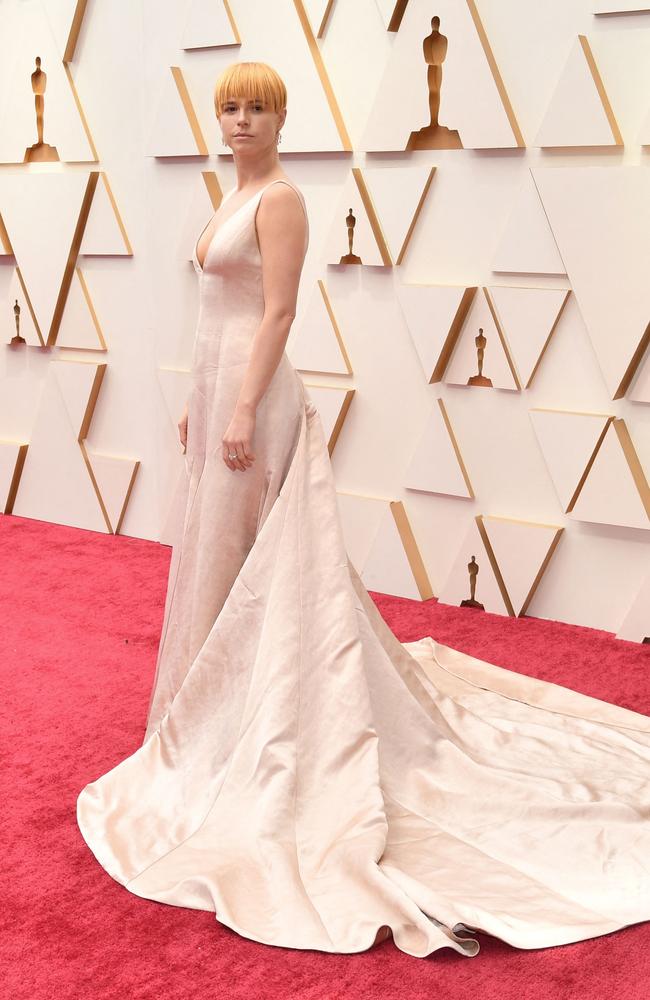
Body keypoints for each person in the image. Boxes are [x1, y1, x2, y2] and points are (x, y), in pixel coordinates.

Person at [77, 61, 650, 960]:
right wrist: (200, 393)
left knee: (251, 563)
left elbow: (275, 315)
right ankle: (213, 723)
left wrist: (236, 405)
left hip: (256, 402)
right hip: (223, 392)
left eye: (255, 107)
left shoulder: (282, 202)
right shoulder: (231, 196)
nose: (239, 119)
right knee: (218, 558)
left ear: (280, 118)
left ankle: (257, 732)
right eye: (228, 106)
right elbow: (214, 314)